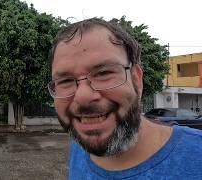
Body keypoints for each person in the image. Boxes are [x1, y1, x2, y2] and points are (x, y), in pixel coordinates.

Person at [48, 17, 202, 179]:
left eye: (103, 73)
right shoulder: (80, 145)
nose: (82, 96)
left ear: (136, 79)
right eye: (65, 81)